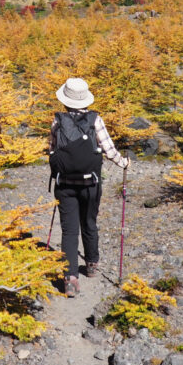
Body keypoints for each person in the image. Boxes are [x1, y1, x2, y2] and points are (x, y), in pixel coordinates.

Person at [49, 77, 129, 297]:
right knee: (89, 222)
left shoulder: (57, 122)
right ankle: (92, 265)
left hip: (64, 184)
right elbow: (109, 149)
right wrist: (124, 163)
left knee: (69, 230)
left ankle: (70, 279)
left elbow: (52, 151)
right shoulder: (95, 120)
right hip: (91, 182)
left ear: (65, 100)